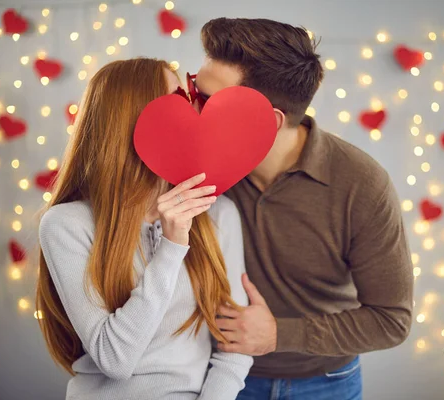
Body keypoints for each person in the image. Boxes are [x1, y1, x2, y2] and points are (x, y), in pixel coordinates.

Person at [190, 18, 414, 400]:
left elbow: (391, 320)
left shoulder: (361, 184)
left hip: (325, 384)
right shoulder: (193, 164)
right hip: (217, 378)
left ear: (267, 121)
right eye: (195, 89)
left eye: (211, 102)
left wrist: (279, 334)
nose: (194, 108)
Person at [35, 58, 252, 400]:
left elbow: (235, 346)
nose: (195, 107)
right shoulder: (65, 225)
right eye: (180, 97)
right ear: (134, 121)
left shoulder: (218, 214)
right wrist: (171, 246)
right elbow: (115, 360)